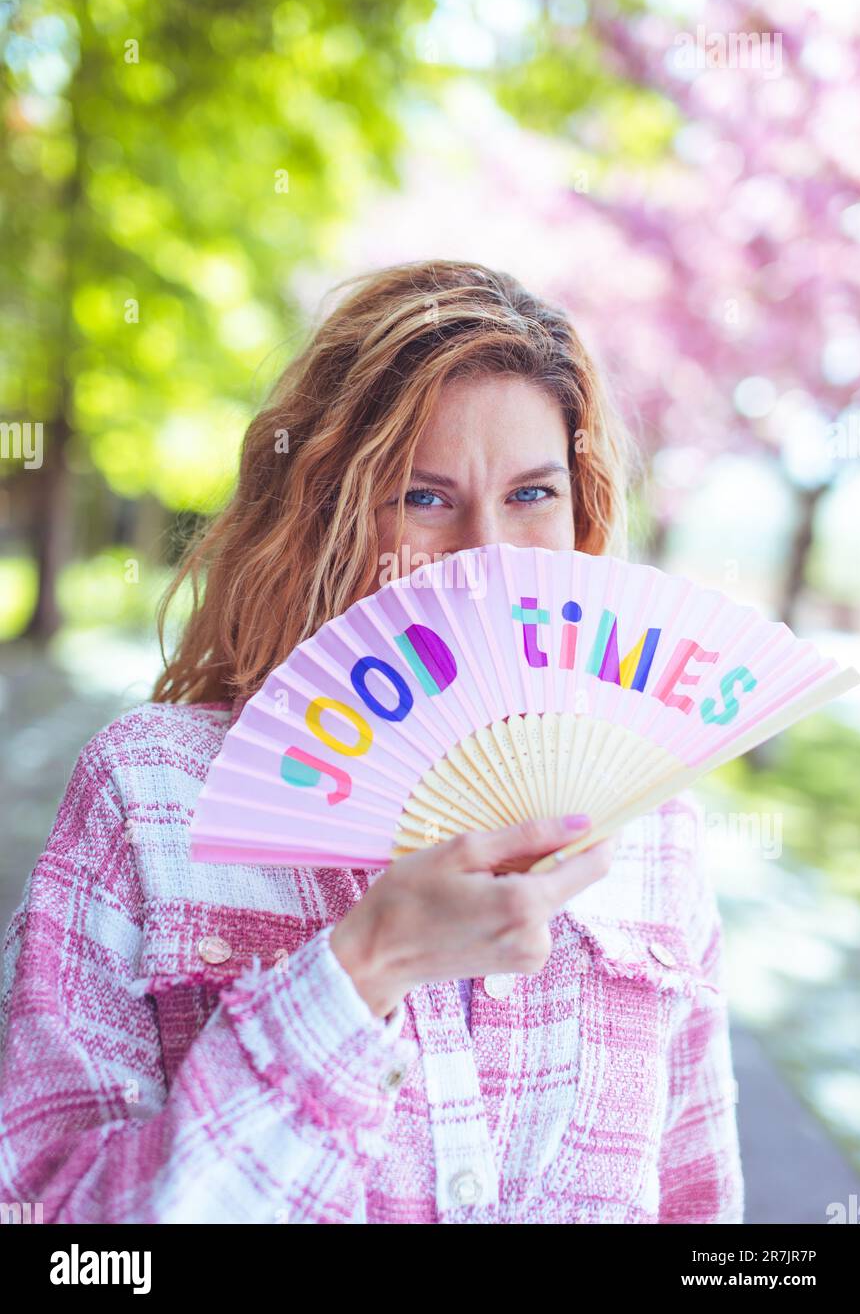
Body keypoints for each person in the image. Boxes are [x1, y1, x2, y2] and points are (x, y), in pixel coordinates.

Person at [0, 259, 744, 1223]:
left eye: (531, 494)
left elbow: (706, 1218)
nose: (486, 558)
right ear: (328, 515)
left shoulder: (652, 822)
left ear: (582, 511)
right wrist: (359, 974)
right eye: (424, 498)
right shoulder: (151, 799)